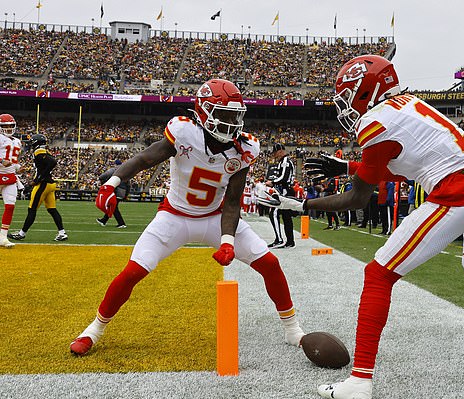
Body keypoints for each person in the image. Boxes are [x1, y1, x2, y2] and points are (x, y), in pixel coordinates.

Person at [264, 55, 464, 399]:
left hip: (458, 194)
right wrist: (346, 165)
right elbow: (407, 167)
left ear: (365, 90)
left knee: (378, 273)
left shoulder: (376, 122)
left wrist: (303, 206)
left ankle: (359, 382)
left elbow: (359, 198)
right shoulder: (411, 105)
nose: (346, 106)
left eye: (348, 96)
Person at [69, 79, 304, 356]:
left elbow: (231, 201)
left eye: (235, 114)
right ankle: (94, 329)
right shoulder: (184, 132)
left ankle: (292, 328)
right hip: (175, 216)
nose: (232, 121)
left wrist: (227, 241)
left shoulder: (244, 148)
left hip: (215, 218)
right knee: (133, 271)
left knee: (270, 263)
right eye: (224, 113)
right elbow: (145, 158)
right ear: (204, 111)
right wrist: (112, 183)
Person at [9, 134, 68, 242]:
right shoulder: (44, 151)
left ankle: (22, 234)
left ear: (36, 142)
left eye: (32, 141)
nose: (31, 143)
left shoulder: (39, 151)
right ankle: (62, 233)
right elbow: (49, 163)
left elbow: (52, 162)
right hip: (50, 184)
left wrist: (38, 179)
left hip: (43, 184)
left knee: (32, 209)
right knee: (52, 210)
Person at [267, 144, 296, 248]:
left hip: (285, 191)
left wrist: (272, 182)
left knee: (273, 213)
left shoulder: (285, 161)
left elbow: (284, 177)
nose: (274, 155)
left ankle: (279, 239)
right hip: (285, 190)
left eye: (275, 153)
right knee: (286, 216)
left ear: (280, 151)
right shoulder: (283, 162)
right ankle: (290, 241)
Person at [0, 114, 22, 248]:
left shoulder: (17, 141)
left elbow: (14, 160)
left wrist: (18, 167)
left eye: (10, 126)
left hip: (10, 177)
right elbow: (4, 159)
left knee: (10, 206)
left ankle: (2, 237)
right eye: (5, 126)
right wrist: (1, 161)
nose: (8, 128)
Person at [96, 159, 129, 228]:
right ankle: (104, 220)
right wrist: (126, 194)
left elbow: (102, 176)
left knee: (114, 207)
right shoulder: (126, 170)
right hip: (123, 191)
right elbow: (128, 184)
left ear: (115, 164)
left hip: (116, 191)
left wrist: (105, 182)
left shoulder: (114, 170)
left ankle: (121, 223)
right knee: (111, 206)